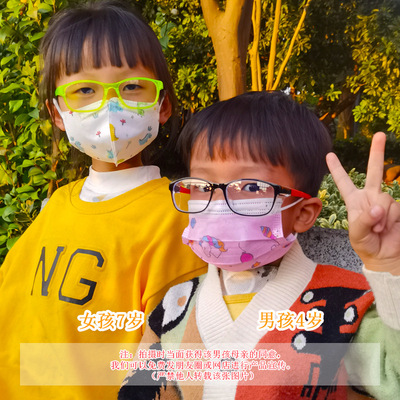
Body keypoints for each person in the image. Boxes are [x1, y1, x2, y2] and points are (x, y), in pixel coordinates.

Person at [119, 91, 400, 399]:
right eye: (203, 186)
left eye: (251, 186)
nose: (218, 201)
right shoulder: (175, 305)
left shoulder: (346, 305)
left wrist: (387, 264)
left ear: (303, 213)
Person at [0, 1, 206, 399]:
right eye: (84, 90)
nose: (109, 106)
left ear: (162, 105)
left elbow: (175, 363)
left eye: (131, 87)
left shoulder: (178, 217)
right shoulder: (57, 205)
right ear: (57, 113)